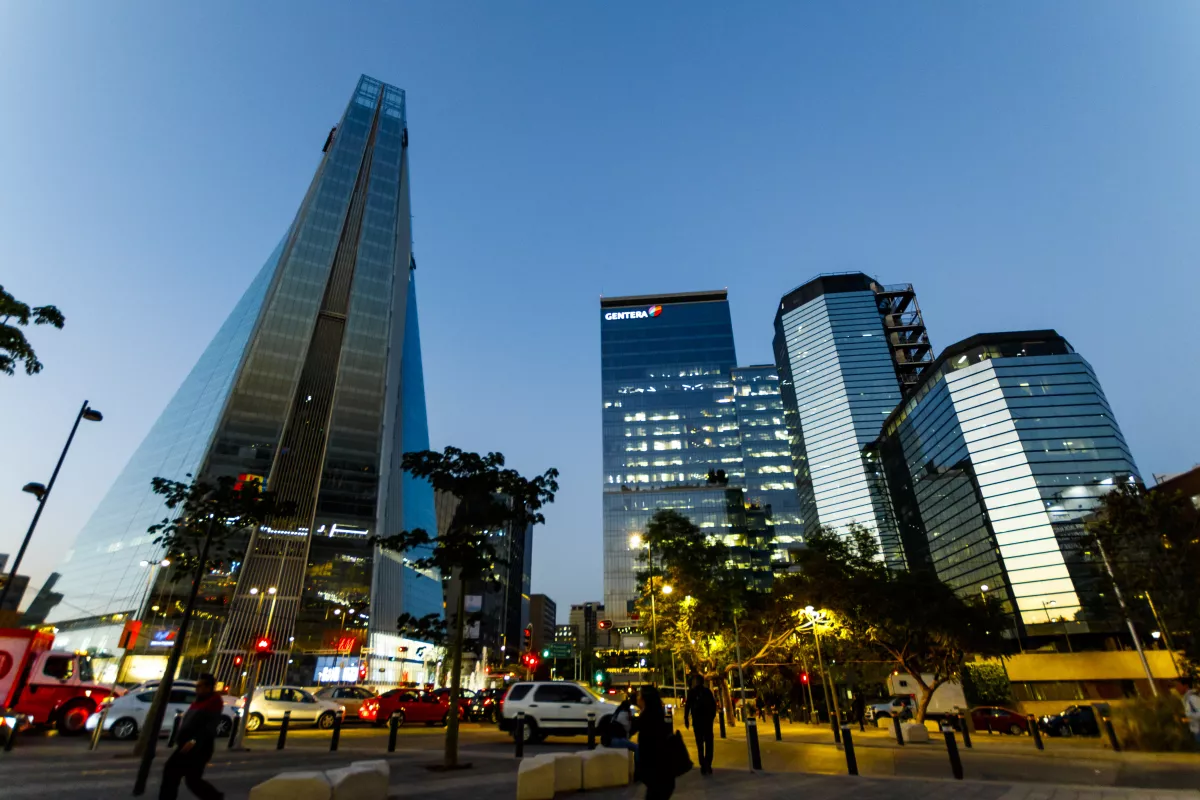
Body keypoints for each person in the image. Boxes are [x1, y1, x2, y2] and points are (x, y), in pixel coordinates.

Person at [159, 672, 224, 800]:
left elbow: (208, 727)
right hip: (188, 744)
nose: (197, 688)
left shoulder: (214, 702)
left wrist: (193, 741)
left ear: (208, 687)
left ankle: (215, 797)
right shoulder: (200, 700)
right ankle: (215, 797)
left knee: (173, 773)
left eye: (200, 686)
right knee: (191, 779)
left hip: (197, 747)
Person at [635, 685, 675, 800]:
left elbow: (649, 748)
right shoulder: (657, 714)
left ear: (645, 699)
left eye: (639, 695)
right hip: (663, 775)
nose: (638, 698)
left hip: (658, 775)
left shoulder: (647, 717)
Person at [684, 675, 716, 775]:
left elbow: (687, 706)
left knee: (700, 744)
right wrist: (711, 718)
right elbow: (713, 706)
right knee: (709, 743)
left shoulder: (692, 692)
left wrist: (686, 719)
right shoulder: (707, 692)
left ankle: (703, 765)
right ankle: (708, 764)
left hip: (697, 722)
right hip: (707, 722)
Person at [606, 687, 639, 754]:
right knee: (637, 748)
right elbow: (627, 729)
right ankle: (638, 764)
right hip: (616, 740)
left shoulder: (618, 712)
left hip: (610, 739)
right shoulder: (624, 714)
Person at [1176, 678, 1200, 745]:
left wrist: (1187, 719)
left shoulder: (1192, 698)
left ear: (1186, 686)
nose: (1177, 688)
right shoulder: (1187, 698)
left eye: (1178, 686)